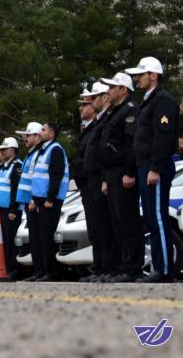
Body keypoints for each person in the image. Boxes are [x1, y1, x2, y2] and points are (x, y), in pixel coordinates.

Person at [127, 57, 180, 283]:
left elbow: (163, 135)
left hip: (154, 165)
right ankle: (159, 266)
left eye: (141, 74)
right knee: (151, 218)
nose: (137, 78)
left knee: (158, 218)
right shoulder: (148, 100)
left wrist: (156, 167)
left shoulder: (163, 99)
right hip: (144, 164)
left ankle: (164, 270)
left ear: (154, 75)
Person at [99, 72, 145, 283]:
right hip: (111, 173)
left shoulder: (130, 111)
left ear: (123, 90)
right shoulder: (114, 112)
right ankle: (121, 266)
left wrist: (129, 172)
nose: (108, 91)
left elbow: (131, 144)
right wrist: (106, 178)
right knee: (116, 223)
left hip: (122, 172)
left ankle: (133, 267)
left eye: (112, 87)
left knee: (127, 221)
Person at [84, 83, 120, 282]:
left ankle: (112, 267)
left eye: (95, 97)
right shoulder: (101, 121)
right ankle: (104, 268)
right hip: (94, 180)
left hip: (103, 177)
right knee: (99, 227)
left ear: (105, 97)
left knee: (108, 226)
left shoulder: (108, 118)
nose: (91, 102)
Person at [30, 123, 70, 281]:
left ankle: (52, 272)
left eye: (44, 129)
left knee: (48, 237)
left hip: (50, 201)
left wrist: (50, 199)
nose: (41, 132)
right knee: (42, 237)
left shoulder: (55, 150)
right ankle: (46, 271)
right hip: (41, 201)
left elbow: (56, 176)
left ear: (52, 134)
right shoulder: (44, 150)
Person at [73, 84, 104, 282]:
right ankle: (100, 267)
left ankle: (106, 267)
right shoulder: (88, 128)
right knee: (94, 228)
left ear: (94, 106)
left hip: (95, 181)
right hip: (86, 184)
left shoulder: (98, 126)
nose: (81, 108)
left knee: (101, 227)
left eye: (85, 104)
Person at [15, 122, 44, 281]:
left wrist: (34, 200)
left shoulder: (39, 153)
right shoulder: (31, 154)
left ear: (37, 136)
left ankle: (41, 271)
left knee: (38, 238)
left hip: (34, 202)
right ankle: (38, 270)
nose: (25, 139)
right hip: (28, 202)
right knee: (34, 238)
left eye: (28, 135)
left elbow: (38, 180)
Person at [0, 137, 23, 280]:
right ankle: (7, 268)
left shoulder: (16, 165)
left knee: (11, 241)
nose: (2, 152)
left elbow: (16, 189)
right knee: (5, 241)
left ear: (12, 149)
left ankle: (14, 270)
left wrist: (13, 209)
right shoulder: (5, 167)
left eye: (4, 150)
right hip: (2, 210)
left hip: (10, 210)